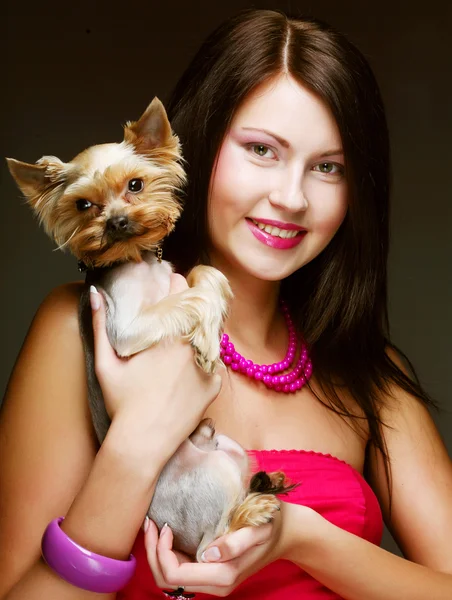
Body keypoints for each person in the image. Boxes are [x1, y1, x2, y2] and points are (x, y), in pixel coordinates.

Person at [0, 8, 451, 600]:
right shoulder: (82, 328)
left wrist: (298, 535)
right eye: (262, 150)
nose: (290, 198)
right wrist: (137, 441)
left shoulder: (375, 379)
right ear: (198, 146)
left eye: (327, 167)